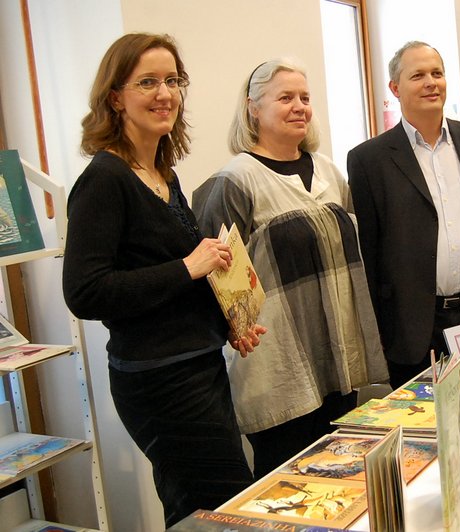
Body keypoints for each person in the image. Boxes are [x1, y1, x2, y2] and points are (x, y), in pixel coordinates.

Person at [61, 33, 263, 527]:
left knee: (196, 507)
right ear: (115, 97)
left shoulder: (163, 174)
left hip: (199, 365)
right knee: (222, 507)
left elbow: (181, 279)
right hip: (158, 381)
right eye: (147, 82)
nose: (165, 93)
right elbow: (85, 292)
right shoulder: (104, 180)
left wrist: (228, 322)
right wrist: (187, 266)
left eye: (172, 81)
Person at [193, 59, 388, 479]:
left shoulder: (329, 171)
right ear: (253, 108)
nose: (299, 106)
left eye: (305, 97)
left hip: (337, 362)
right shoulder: (236, 181)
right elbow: (217, 280)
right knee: (288, 487)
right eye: (285, 98)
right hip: (278, 369)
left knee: (340, 478)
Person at [347, 41, 460, 388]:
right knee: (423, 420)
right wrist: (377, 329)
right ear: (395, 88)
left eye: (437, 73)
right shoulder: (368, 160)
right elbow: (367, 250)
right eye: (418, 75)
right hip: (412, 327)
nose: (431, 83)